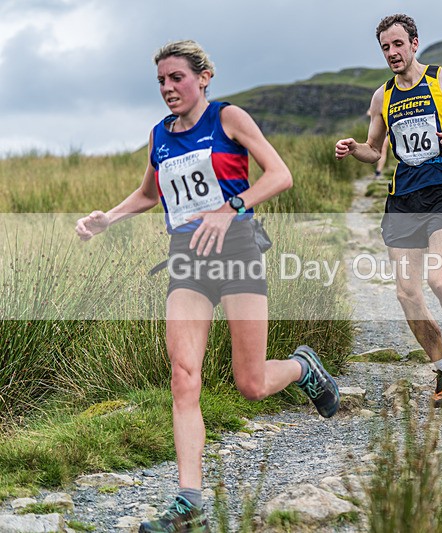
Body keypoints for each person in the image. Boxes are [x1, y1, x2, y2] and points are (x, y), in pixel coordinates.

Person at [75, 40, 340, 533]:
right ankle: (189, 502)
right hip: (187, 261)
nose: (167, 88)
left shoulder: (228, 119)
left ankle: (304, 367)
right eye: (161, 80)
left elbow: (280, 174)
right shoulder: (159, 135)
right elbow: (149, 194)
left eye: (176, 77)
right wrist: (108, 218)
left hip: (237, 251)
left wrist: (229, 208)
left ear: (203, 77)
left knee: (251, 384)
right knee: (183, 375)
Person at [335, 14, 442, 408]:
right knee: (406, 294)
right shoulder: (382, 97)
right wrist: (354, 149)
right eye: (385, 47)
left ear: (414, 43)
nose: (392, 53)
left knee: (440, 280)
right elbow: (375, 150)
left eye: (398, 44)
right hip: (403, 199)